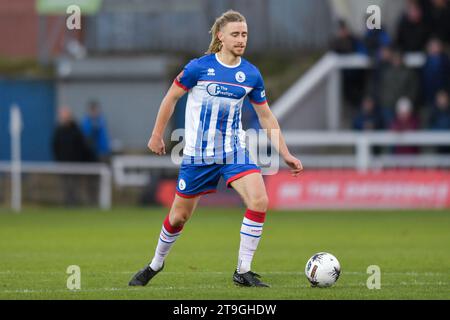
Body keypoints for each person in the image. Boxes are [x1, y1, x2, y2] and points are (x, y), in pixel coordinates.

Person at [128, 10, 303, 288]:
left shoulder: (250, 74)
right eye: (235, 34)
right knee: (178, 216)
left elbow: (266, 116)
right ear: (220, 36)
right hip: (198, 155)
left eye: (244, 34)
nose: (241, 39)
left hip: (234, 152)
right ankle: (155, 264)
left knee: (259, 200)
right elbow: (171, 98)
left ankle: (243, 271)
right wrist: (156, 134)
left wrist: (286, 153)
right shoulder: (199, 68)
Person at [52, 107, 96, 205]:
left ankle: (75, 203)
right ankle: (68, 203)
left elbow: (81, 146)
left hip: (75, 163)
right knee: (66, 185)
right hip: (63, 163)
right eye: (62, 116)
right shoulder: (58, 130)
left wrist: (80, 160)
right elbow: (55, 146)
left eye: (65, 115)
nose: (64, 118)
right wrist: (58, 160)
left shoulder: (76, 129)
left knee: (75, 185)